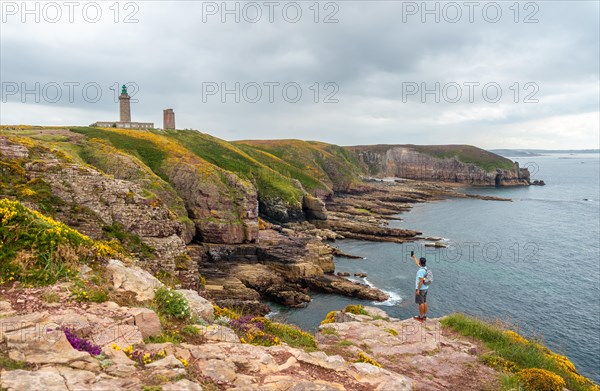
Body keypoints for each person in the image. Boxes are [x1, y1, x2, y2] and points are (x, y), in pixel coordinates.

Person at [411, 251, 428, 322]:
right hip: (426, 288)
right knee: (424, 302)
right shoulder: (425, 268)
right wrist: (414, 258)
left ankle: (420, 317)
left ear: (421, 263)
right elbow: (418, 264)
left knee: (420, 303)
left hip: (421, 289)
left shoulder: (420, 271)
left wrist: (418, 290)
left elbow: (421, 281)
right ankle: (424, 316)